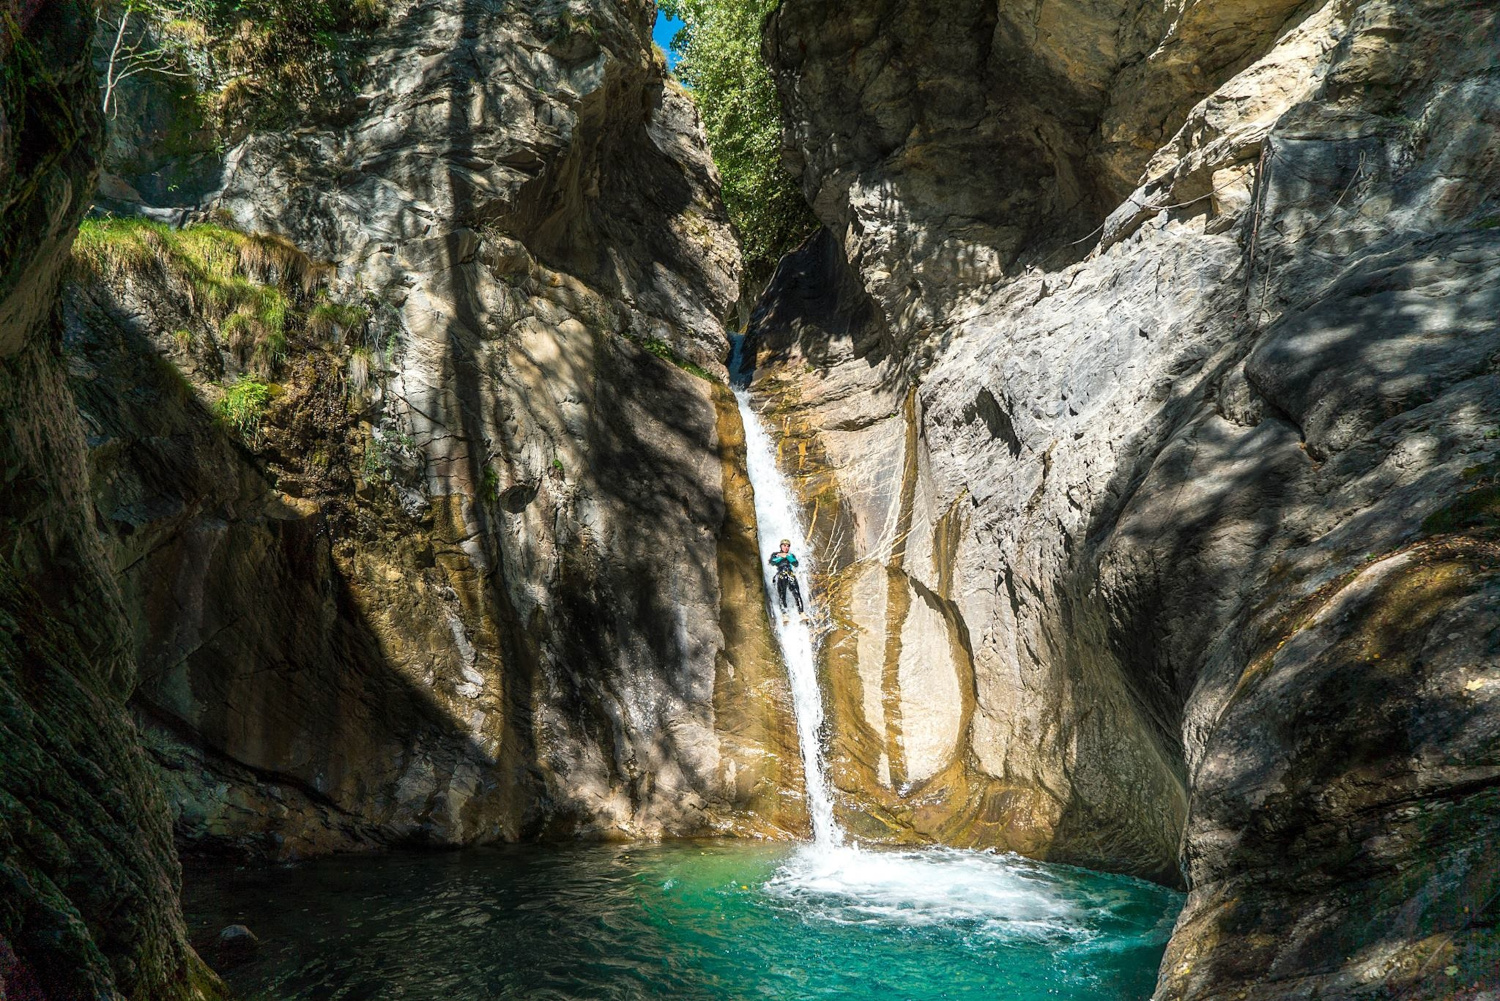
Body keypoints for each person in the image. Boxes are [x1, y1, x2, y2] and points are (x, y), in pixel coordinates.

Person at [768, 539, 807, 623]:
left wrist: (787, 556)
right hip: (781, 575)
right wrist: (780, 557)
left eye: (788, 546)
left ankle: (801, 612)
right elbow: (772, 562)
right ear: (781, 546)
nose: (786, 547)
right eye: (784, 545)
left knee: (796, 593)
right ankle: (784, 614)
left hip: (790, 574)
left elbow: (795, 563)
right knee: (782, 594)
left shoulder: (791, 555)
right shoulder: (775, 554)